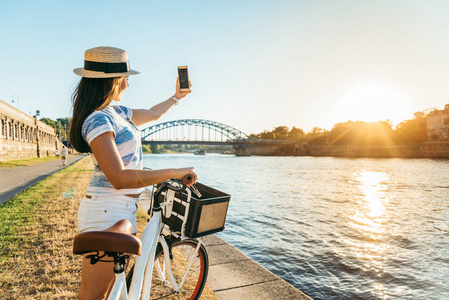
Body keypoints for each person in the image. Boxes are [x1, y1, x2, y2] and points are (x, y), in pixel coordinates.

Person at [69, 46, 197, 300]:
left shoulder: (116, 113)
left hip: (120, 208)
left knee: (109, 293)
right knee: (94, 296)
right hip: (106, 210)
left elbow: (152, 114)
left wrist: (176, 97)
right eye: (125, 79)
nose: (127, 85)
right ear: (112, 81)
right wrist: (172, 171)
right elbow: (119, 178)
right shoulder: (97, 120)